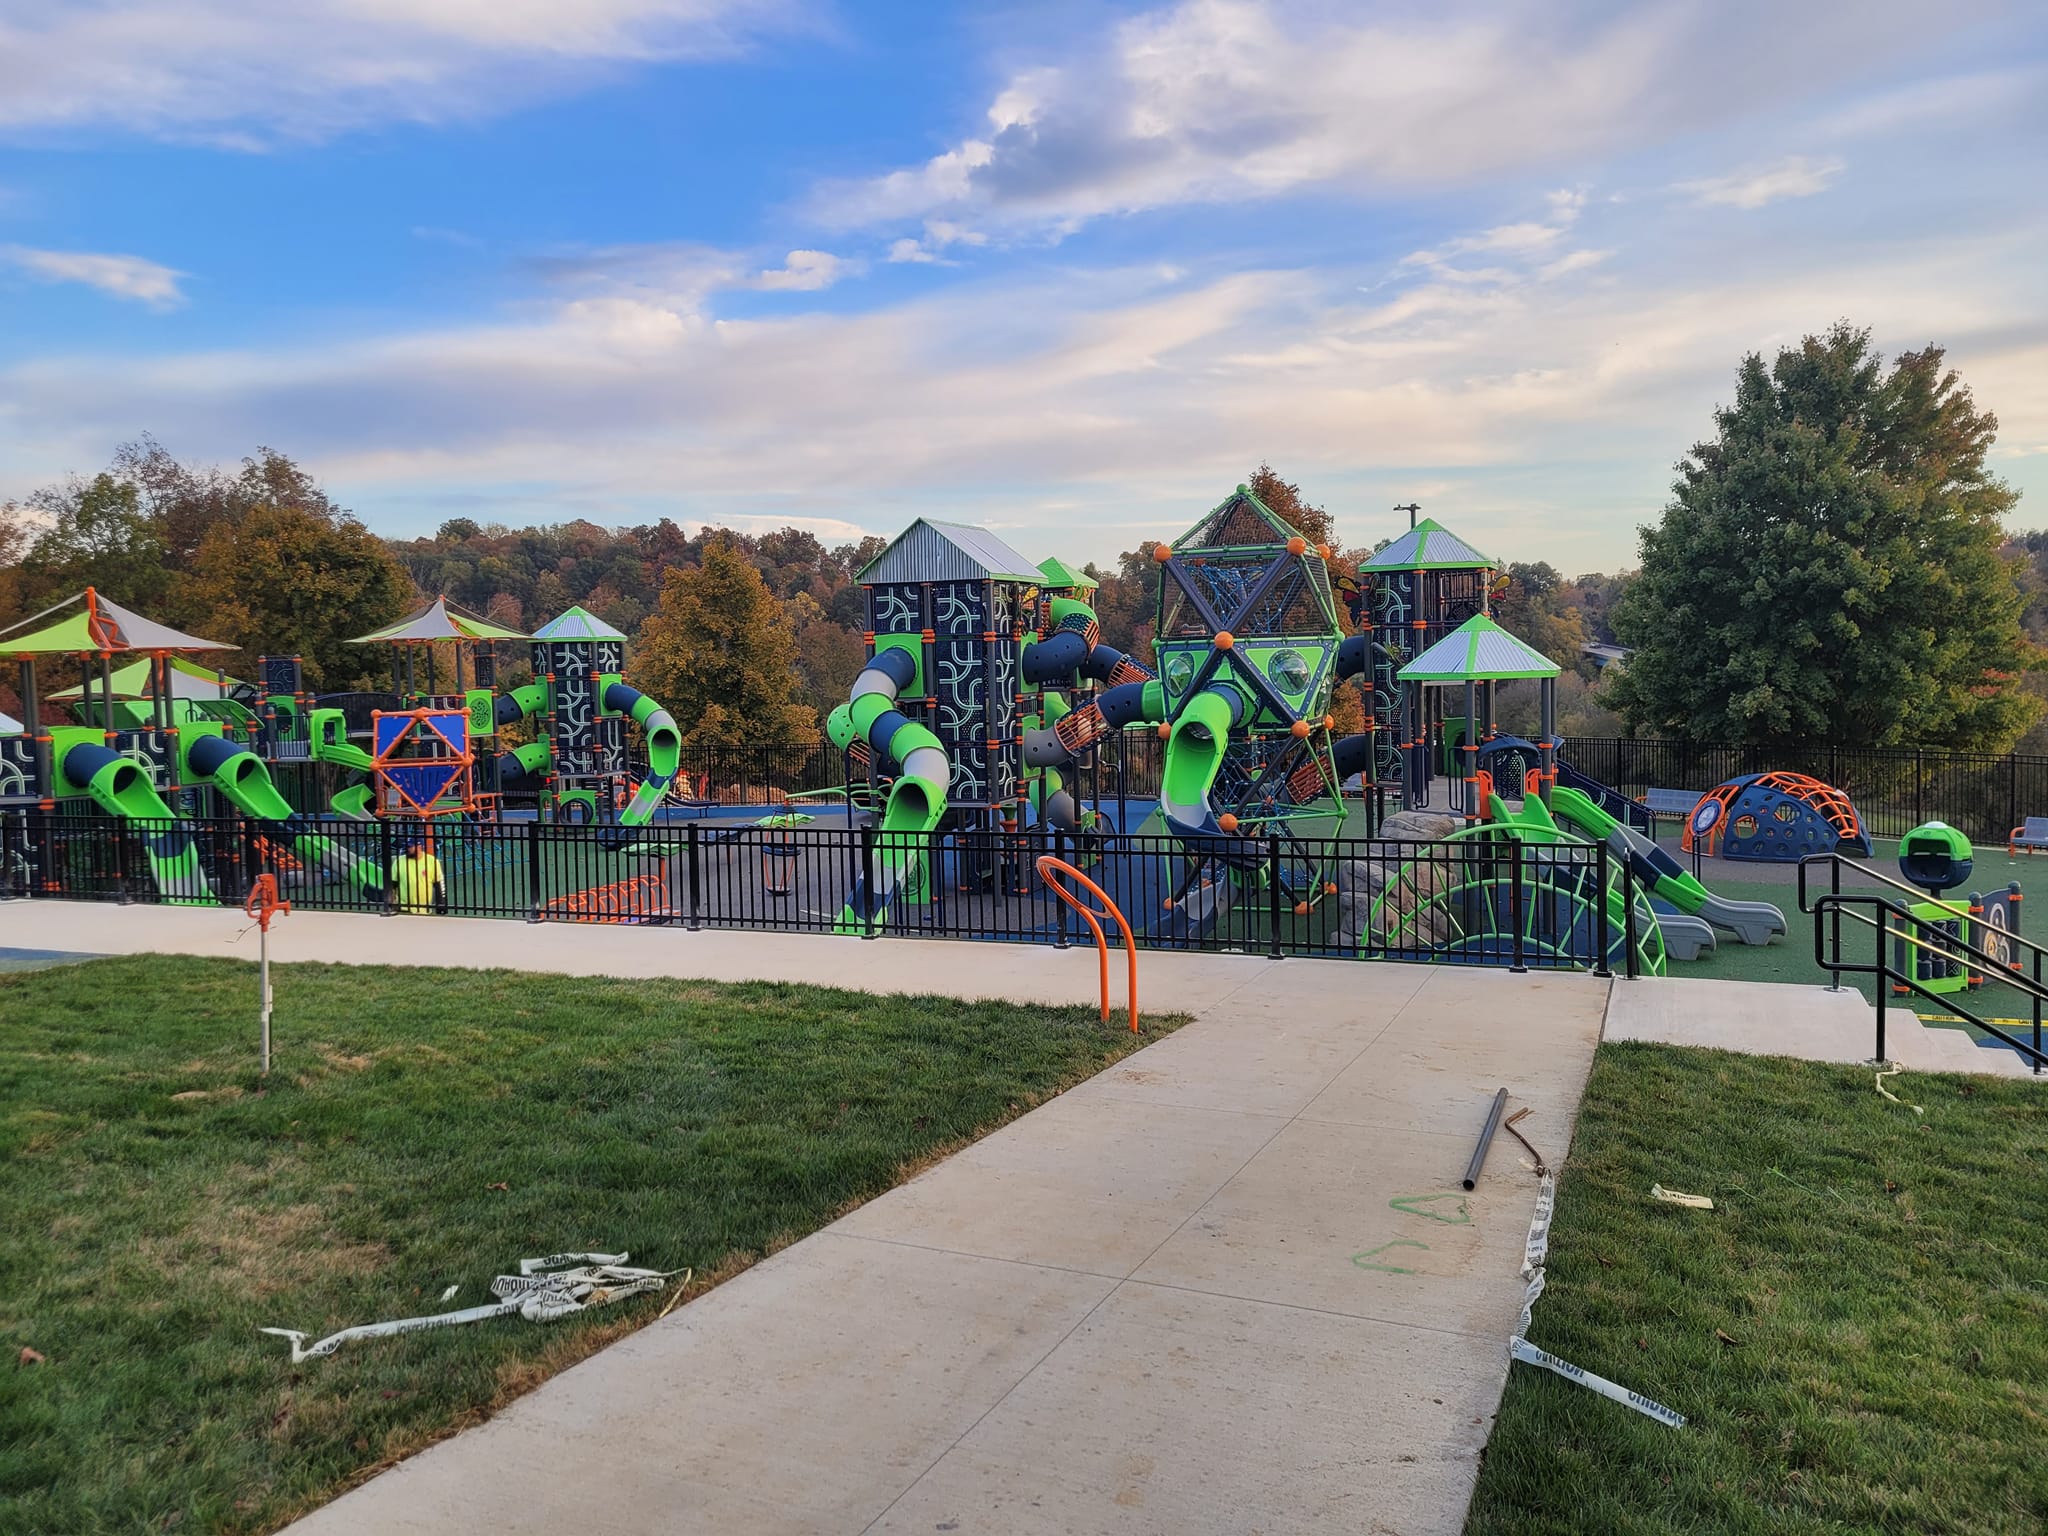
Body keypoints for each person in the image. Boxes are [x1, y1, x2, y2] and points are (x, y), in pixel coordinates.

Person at [391, 836, 448, 915]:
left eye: (410, 846)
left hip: (424, 910)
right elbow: (392, 885)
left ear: (419, 846)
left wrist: (441, 904)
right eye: (407, 846)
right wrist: (391, 903)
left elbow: (439, 885)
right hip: (403, 909)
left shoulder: (432, 861)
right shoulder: (399, 861)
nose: (407, 849)